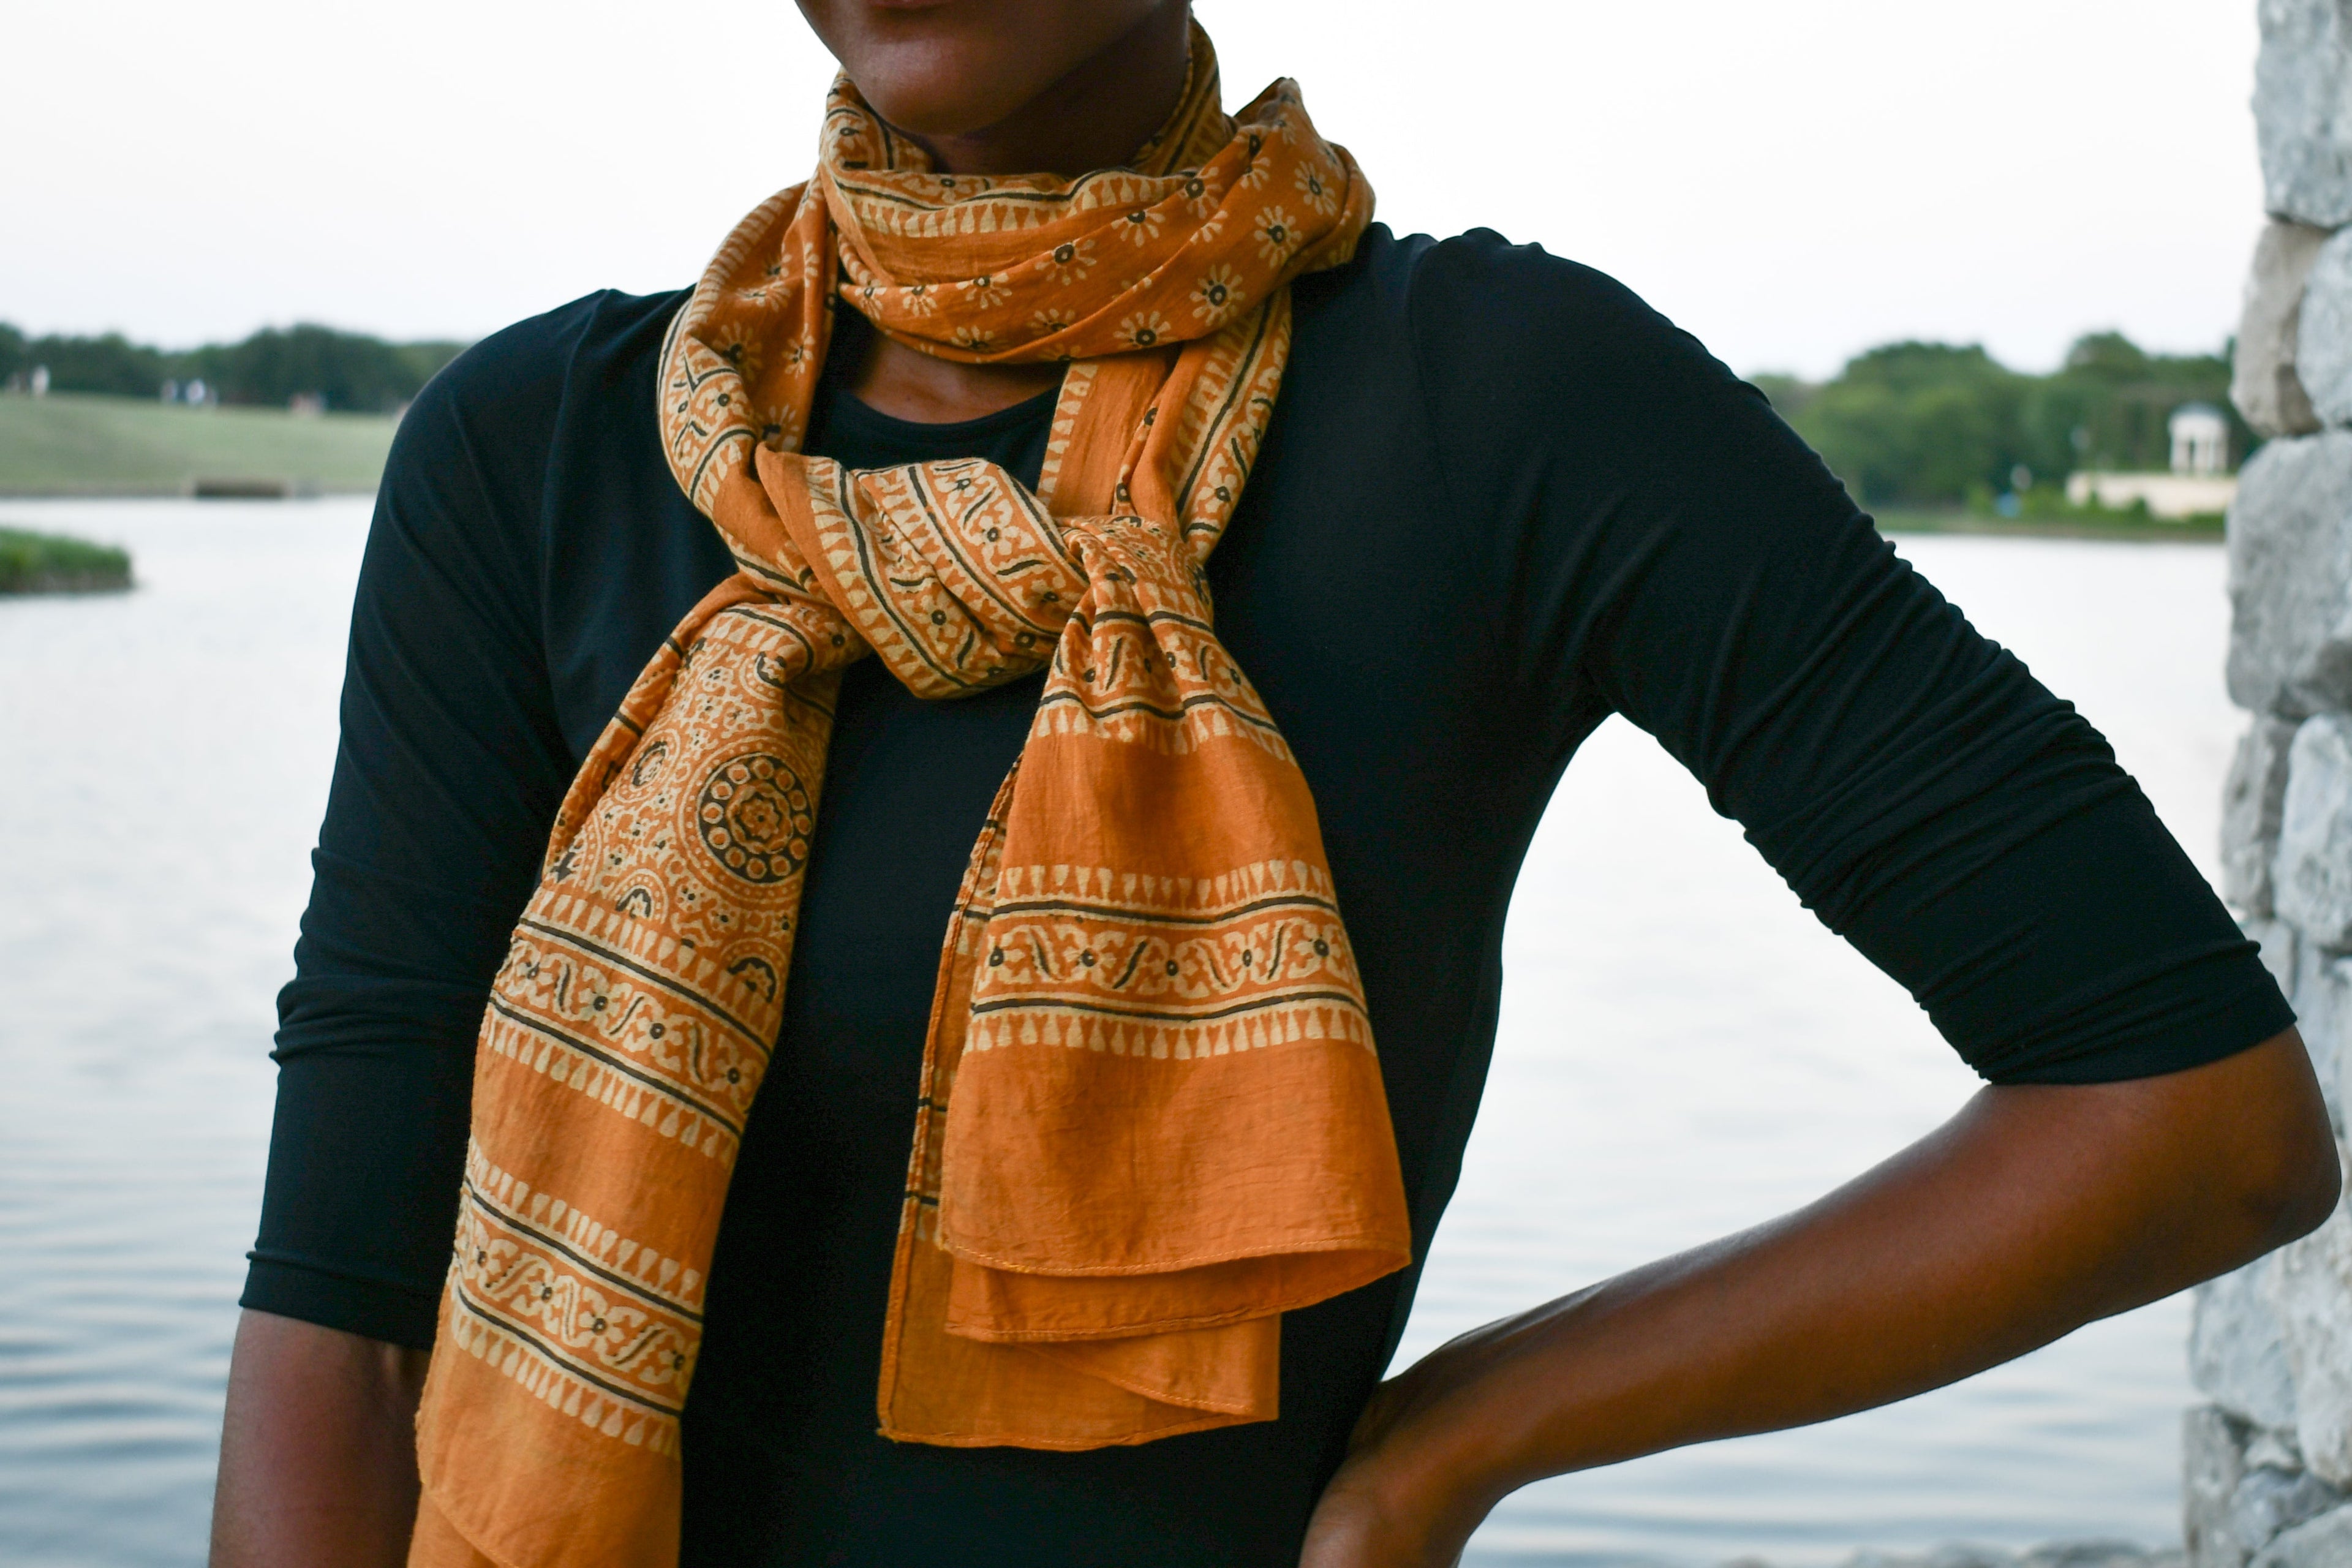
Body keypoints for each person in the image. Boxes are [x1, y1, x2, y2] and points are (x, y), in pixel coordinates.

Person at [208, 3, 2342, 1565]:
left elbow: (2188, 1112)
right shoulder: (537, 454)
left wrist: (1462, 1438)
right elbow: (347, 1306)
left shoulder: (1504, 413)